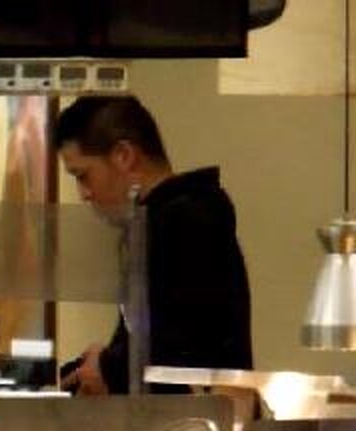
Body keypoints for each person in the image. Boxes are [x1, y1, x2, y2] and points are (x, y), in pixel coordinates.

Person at [54, 95, 252, 395]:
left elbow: (179, 345)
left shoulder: (184, 220)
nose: (84, 193)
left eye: (84, 175)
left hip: (197, 428)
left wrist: (107, 366)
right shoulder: (162, 220)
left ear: (123, 155)